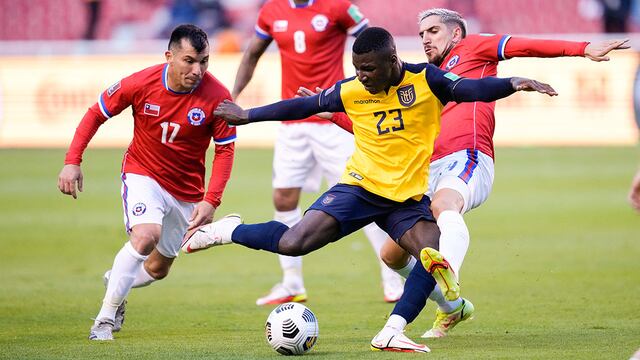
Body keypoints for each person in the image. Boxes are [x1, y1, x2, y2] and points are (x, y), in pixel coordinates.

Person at [182, 26, 557, 352]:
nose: (362, 76)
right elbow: (303, 106)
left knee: (434, 258)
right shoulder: (351, 90)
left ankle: (393, 331)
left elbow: (472, 88)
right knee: (294, 242)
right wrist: (248, 115)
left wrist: (511, 83)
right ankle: (227, 230)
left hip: (406, 199)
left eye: (369, 68)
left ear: (393, 60)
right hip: (359, 188)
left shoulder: (427, 81)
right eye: (357, 68)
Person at [352, 8, 628, 340]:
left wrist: (582, 48)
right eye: (421, 32)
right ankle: (453, 306)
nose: (425, 38)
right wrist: (331, 114)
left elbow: (523, 45)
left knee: (444, 206)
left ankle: (448, 269)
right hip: (428, 169)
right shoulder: (423, 77)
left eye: (433, 30)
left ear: (456, 34)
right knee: (391, 255)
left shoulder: (474, 47)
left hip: (468, 157)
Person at [57, 24, 236, 341]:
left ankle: (117, 280)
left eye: (204, 61)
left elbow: (225, 150)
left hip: (186, 191)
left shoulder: (218, 96)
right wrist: (73, 161)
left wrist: (211, 201)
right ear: (169, 56)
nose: (197, 70)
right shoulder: (140, 83)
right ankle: (104, 320)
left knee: (157, 270)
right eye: (189, 60)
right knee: (145, 237)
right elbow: (95, 114)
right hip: (143, 173)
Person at [228, 0, 404, 305]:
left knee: (365, 195)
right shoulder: (272, 10)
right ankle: (291, 283)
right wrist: (233, 96)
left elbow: (373, 39)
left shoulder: (338, 6)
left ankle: (392, 279)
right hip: (292, 124)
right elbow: (253, 53)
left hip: (330, 120)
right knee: (283, 197)